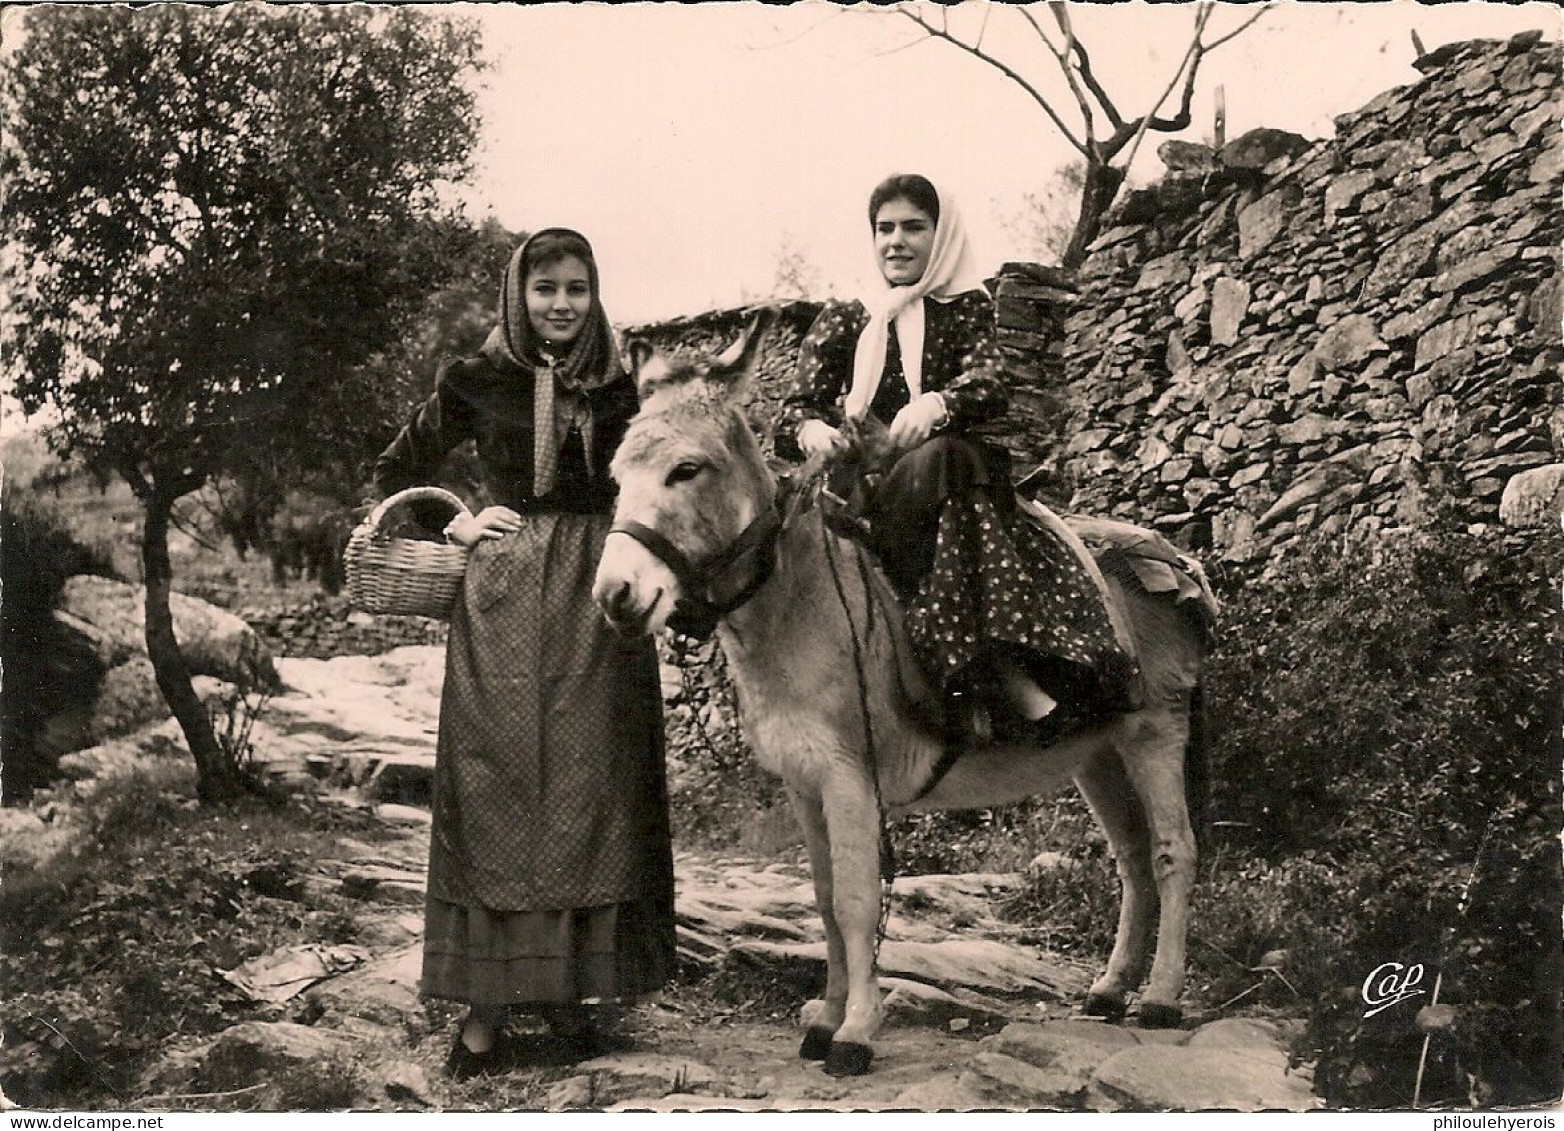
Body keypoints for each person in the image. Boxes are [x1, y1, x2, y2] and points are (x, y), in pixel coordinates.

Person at [374, 229, 675, 1079]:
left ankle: (575, 994)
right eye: (545, 288)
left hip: (601, 596)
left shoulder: (624, 381)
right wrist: (460, 521)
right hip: (503, 600)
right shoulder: (476, 378)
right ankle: (485, 1009)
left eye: (577, 287)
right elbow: (395, 467)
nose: (561, 304)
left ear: (596, 292)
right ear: (520, 292)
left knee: (594, 789)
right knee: (498, 785)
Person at [778, 174, 1137, 743]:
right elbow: (796, 406)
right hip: (863, 489)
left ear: (941, 235)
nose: (896, 241)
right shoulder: (847, 318)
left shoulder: (964, 307)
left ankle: (989, 670)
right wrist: (812, 429)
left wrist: (940, 402)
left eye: (914, 227)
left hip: (945, 480)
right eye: (884, 228)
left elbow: (991, 380)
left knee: (948, 457)